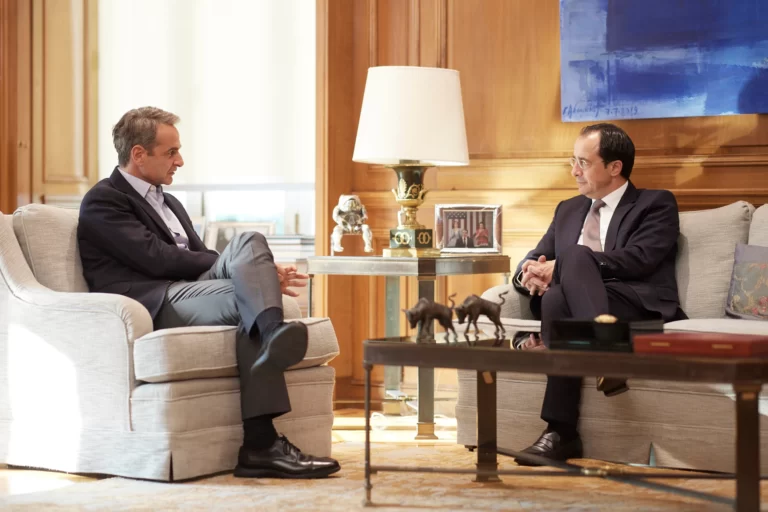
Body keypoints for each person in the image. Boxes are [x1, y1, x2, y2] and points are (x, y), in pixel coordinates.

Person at [77, 107, 340, 479]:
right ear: (139, 154)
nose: (180, 161)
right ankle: (261, 443)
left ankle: (270, 337)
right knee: (248, 297)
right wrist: (251, 278)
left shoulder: (169, 202)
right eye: (171, 152)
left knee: (250, 242)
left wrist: (257, 275)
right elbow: (155, 258)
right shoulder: (104, 200)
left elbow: (197, 257)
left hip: (191, 290)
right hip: (155, 299)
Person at [511, 123, 686, 466]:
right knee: (555, 298)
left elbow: (640, 258)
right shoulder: (568, 209)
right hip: (577, 306)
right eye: (572, 161)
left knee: (575, 256)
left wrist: (569, 264)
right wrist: (528, 274)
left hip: (636, 303)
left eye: (583, 162)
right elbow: (533, 257)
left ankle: (564, 426)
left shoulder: (655, 203)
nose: (574, 171)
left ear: (614, 167)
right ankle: (563, 429)